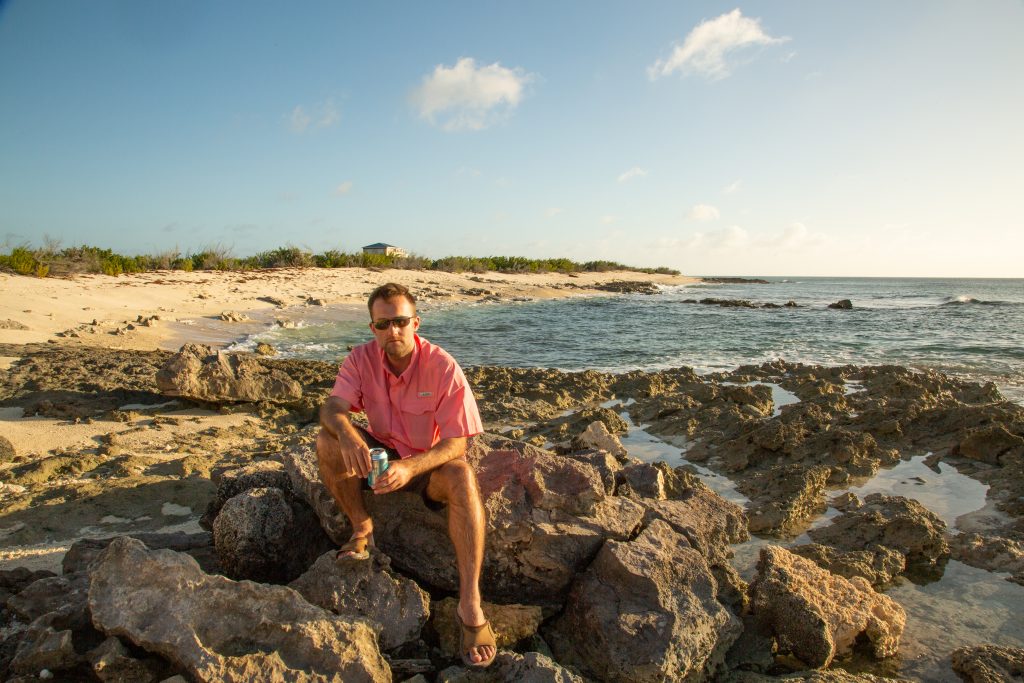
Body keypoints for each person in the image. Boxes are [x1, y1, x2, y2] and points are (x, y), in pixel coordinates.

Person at [316, 282, 496, 668]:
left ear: (416, 322)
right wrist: (347, 434)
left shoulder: (443, 367)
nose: (392, 332)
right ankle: (362, 528)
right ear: (372, 328)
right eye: (382, 325)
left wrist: (410, 466)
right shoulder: (361, 359)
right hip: (380, 455)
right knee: (326, 439)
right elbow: (333, 407)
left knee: (463, 475)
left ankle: (470, 604)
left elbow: (456, 442)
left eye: (399, 322)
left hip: (425, 464)